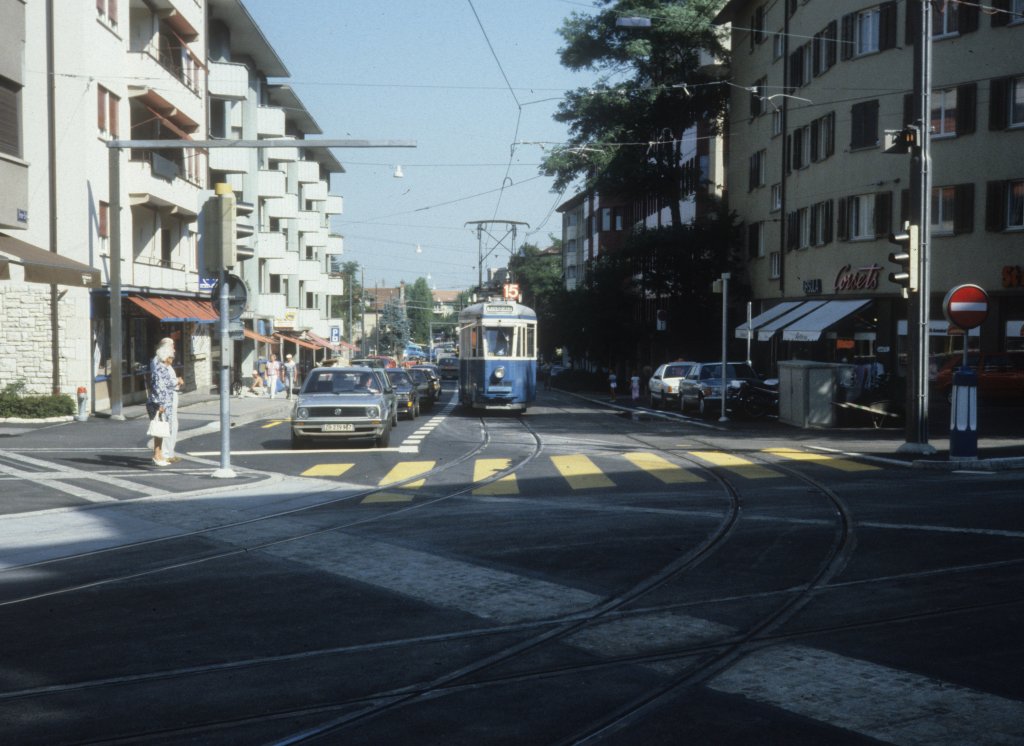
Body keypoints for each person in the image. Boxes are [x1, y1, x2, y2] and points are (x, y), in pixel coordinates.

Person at [146, 342, 176, 466]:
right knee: (159, 430)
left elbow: (166, 386)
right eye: (171, 356)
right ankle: (157, 455)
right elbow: (158, 387)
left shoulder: (163, 368)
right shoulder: (160, 370)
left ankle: (159, 454)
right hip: (159, 403)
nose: (173, 359)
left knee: (161, 430)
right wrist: (162, 404)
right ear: (166, 357)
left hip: (162, 403)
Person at [163, 353, 185, 463]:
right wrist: (177, 381)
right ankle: (166, 454)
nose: (173, 357)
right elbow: (166, 382)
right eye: (170, 355)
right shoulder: (161, 366)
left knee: (173, 424)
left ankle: (170, 452)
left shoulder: (168, 367)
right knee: (169, 424)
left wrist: (176, 381)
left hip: (173, 394)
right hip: (168, 397)